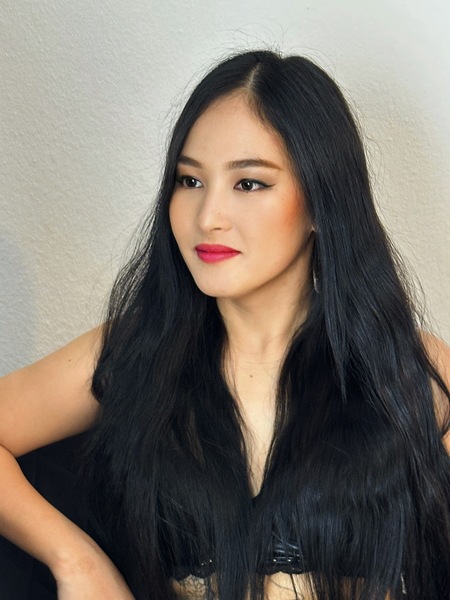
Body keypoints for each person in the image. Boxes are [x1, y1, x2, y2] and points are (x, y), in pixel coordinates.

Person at [0, 49, 449, 600]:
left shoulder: (411, 371)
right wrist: (75, 560)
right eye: (189, 181)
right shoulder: (133, 352)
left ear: (320, 202)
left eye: (249, 184)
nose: (207, 216)